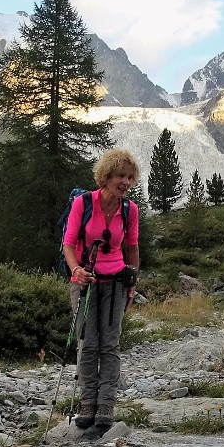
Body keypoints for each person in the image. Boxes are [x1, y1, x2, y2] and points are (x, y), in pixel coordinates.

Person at [61, 149, 141, 430]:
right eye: (121, 175)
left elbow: (132, 246)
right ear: (105, 176)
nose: (126, 182)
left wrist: (133, 281)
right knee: (88, 343)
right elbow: (69, 243)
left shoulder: (130, 210)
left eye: (130, 177)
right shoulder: (83, 204)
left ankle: (106, 405)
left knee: (110, 344)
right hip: (85, 282)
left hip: (117, 281)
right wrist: (76, 270)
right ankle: (88, 402)